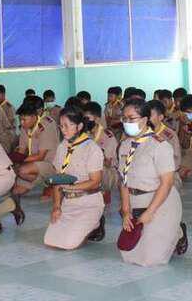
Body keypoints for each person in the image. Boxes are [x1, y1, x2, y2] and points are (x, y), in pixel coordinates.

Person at [118, 98, 186, 266]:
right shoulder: (125, 145)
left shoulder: (160, 145)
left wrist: (150, 212)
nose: (126, 122)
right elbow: (123, 180)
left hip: (160, 202)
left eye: (131, 118)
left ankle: (178, 232)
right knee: (128, 255)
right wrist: (126, 211)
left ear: (144, 119)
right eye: (124, 118)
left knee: (150, 260)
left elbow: (167, 183)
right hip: (135, 201)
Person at [44, 107, 106, 249]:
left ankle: (96, 224)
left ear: (79, 126)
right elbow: (58, 179)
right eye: (61, 126)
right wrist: (57, 207)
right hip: (68, 203)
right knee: (50, 241)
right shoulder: (62, 147)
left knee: (68, 244)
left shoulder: (92, 148)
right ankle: (83, 226)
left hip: (88, 203)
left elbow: (95, 182)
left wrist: (70, 187)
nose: (63, 130)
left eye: (67, 125)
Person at [12, 101, 60, 211]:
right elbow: (22, 150)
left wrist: (19, 161)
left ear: (34, 117)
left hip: (50, 163)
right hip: (33, 163)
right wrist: (14, 162)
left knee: (22, 170)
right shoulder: (24, 127)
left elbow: (41, 156)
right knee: (16, 191)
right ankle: (43, 181)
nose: (22, 123)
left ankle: (51, 183)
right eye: (20, 119)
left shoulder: (46, 125)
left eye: (24, 120)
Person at [84, 101, 119, 202]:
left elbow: (108, 163)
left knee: (95, 168)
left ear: (97, 119)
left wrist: (94, 152)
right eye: (84, 118)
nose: (85, 121)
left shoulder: (107, 136)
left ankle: (102, 193)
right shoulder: (84, 134)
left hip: (107, 171)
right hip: (90, 168)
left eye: (88, 118)